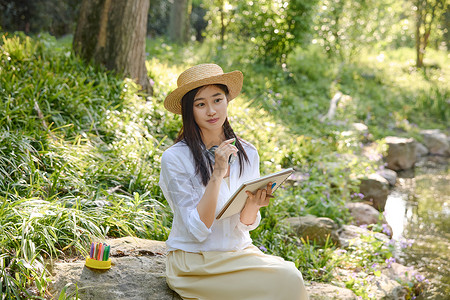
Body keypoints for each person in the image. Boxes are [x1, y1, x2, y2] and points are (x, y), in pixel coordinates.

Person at [159, 63, 308, 300]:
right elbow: (197, 230)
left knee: (290, 276)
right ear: (189, 110)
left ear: (227, 101)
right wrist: (217, 174)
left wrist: (253, 204)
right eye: (201, 104)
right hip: (195, 262)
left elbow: (246, 225)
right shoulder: (175, 158)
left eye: (217, 100)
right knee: (287, 279)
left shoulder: (247, 152)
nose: (211, 111)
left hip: (238, 254)